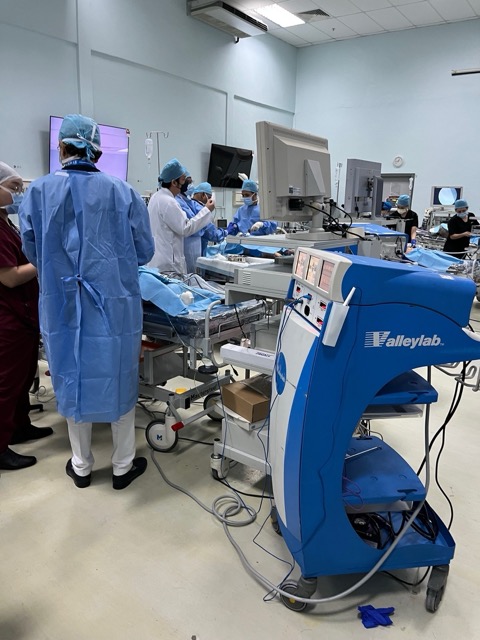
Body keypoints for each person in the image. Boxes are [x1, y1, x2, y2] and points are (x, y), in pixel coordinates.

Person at [19, 114, 155, 490]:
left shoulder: (37, 192)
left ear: (61, 147)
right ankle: (122, 466)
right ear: (97, 151)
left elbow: (32, 249)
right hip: (114, 304)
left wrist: (61, 264)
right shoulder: (123, 192)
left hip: (60, 302)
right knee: (119, 377)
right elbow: (144, 251)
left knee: (70, 375)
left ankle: (81, 466)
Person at [0, 162, 53, 471]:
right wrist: (44, 259)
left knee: (22, 378)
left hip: (24, 316)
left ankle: (19, 426)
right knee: (6, 383)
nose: (20, 193)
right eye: (14, 187)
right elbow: (9, 277)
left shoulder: (6, 221)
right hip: (8, 319)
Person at [148, 158, 215, 274]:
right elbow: (185, 228)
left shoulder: (156, 197)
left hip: (158, 262)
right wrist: (207, 210)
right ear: (174, 182)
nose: (184, 185)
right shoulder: (169, 202)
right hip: (168, 265)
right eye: (183, 180)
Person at [189, 182, 226, 268]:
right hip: (197, 250)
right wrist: (225, 232)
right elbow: (213, 234)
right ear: (203, 195)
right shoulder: (201, 209)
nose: (209, 201)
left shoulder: (189, 205)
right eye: (209, 197)